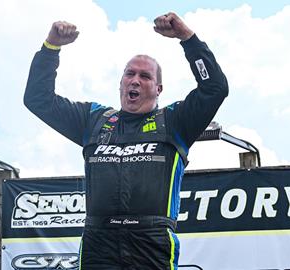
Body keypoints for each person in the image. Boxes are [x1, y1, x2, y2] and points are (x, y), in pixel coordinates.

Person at [24, 12, 228, 270]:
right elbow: (37, 99)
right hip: (99, 241)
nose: (135, 80)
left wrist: (187, 38)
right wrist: (51, 48)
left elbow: (215, 89)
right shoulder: (93, 119)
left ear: (158, 89)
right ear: (120, 83)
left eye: (145, 76)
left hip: (151, 241)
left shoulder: (176, 120)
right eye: (130, 74)